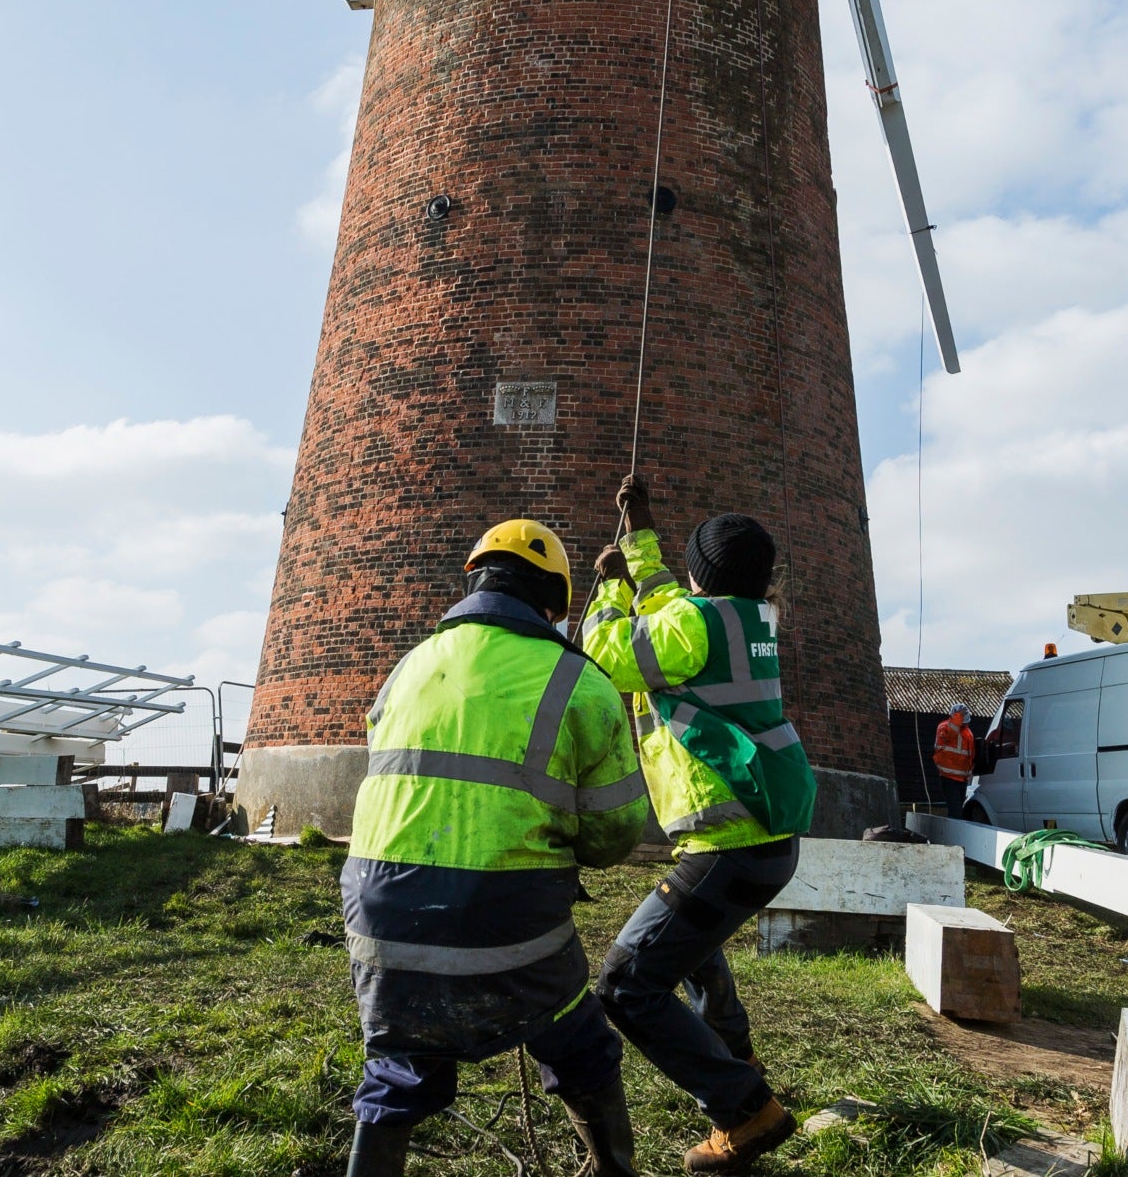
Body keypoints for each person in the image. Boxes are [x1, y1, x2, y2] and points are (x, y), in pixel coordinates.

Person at [341, 518, 655, 1177]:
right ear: (552, 605)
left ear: (475, 585)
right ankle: (612, 1170)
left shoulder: (410, 665)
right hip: (506, 921)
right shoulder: (582, 683)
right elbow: (616, 832)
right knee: (580, 1044)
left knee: (398, 1062)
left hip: (380, 918)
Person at [579, 474, 813, 1174]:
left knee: (625, 984)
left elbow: (607, 656)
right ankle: (735, 1055)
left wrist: (608, 590)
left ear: (698, 574)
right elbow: (673, 602)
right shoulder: (743, 618)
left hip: (727, 843)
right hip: (767, 839)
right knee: (693, 952)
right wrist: (640, 532)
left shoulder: (687, 626)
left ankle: (745, 1109)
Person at [930, 703, 976, 819]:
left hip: (962, 778)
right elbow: (950, 734)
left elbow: (970, 755)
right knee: (955, 811)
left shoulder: (968, 733)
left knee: (958, 810)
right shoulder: (945, 727)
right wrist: (957, 718)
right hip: (948, 777)